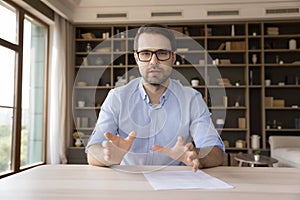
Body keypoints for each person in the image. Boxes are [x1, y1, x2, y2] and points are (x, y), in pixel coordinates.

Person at [86, 24, 225, 172]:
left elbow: (216, 152)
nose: (153, 61)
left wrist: (196, 156)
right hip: (130, 182)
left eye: (162, 53)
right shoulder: (117, 98)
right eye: (146, 53)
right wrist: (107, 156)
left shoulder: (192, 99)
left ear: (173, 58)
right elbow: (93, 152)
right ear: (136, 58)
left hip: (175, 185)